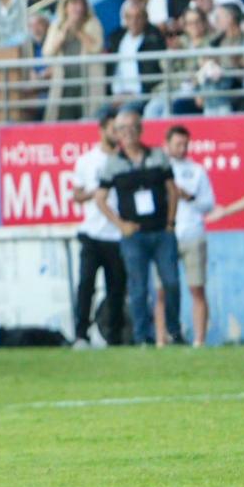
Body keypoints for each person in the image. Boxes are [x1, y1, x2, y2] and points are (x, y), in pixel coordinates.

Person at [95, 109, 182, 346]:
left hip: (161, 232)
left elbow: (172, 190)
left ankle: (174, 331)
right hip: (134, 235)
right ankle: (142, 335)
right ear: (117, 134)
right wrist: (120, 224)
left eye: (133, 127)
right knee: (138, 287)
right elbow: (100, 198)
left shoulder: (157, 156)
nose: (129, 133)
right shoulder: (113, 164)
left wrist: (170, 223)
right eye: (123, 129)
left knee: (172, 282)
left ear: (141, 129)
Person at [69, 111, 128, 346]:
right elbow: (78, 195)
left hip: (117, 234)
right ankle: (81, 335)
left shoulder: (125, 160)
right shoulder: (86, 160)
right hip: (92, 233)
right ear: (102, 129)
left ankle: (114, 337)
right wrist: (98, 191)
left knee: (116, 289)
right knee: (86, 285)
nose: (118, 134)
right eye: (114, 129)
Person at [165, 126, 215, 347]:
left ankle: (199, 340)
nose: (182, 148)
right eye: (178, 144)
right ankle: (163, 338)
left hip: (192, 233)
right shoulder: (159, 170)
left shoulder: (196, 171)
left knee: (196, 288)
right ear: (166, 145)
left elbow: (209, 204)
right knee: (162, 290)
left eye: (185, 144)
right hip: (166, 235)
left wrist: (188, 196)